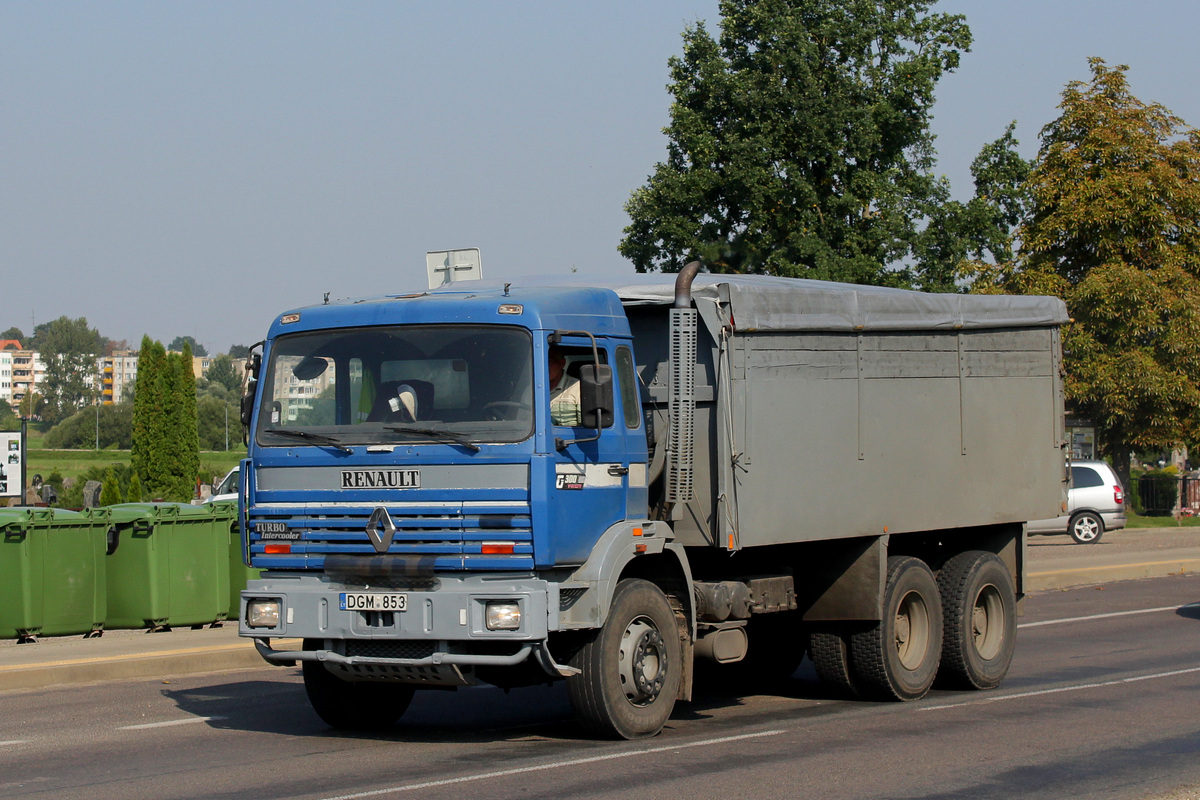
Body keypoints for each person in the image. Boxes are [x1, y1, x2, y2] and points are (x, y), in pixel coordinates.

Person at [548, 346, 581, 426]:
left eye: (550, 361)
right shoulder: (531, 389)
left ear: (562, 363)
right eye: (541, 361)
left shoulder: (577, 387)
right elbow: (523, 422)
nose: (545, 365)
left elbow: (586, 428)